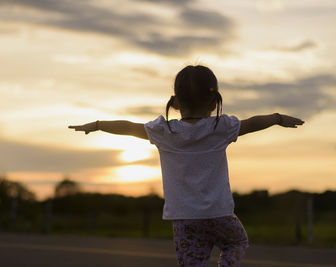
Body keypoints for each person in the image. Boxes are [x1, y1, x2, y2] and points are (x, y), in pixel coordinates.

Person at [68, 65, 304, 267]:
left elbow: (128, 127)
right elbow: (252, 123)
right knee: (236, 242)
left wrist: (98, 124)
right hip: (220, 214)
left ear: (176, 103)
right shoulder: (220, 128)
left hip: (185, 220)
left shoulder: (164, 131)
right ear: (214, 102)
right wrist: (277, 118)